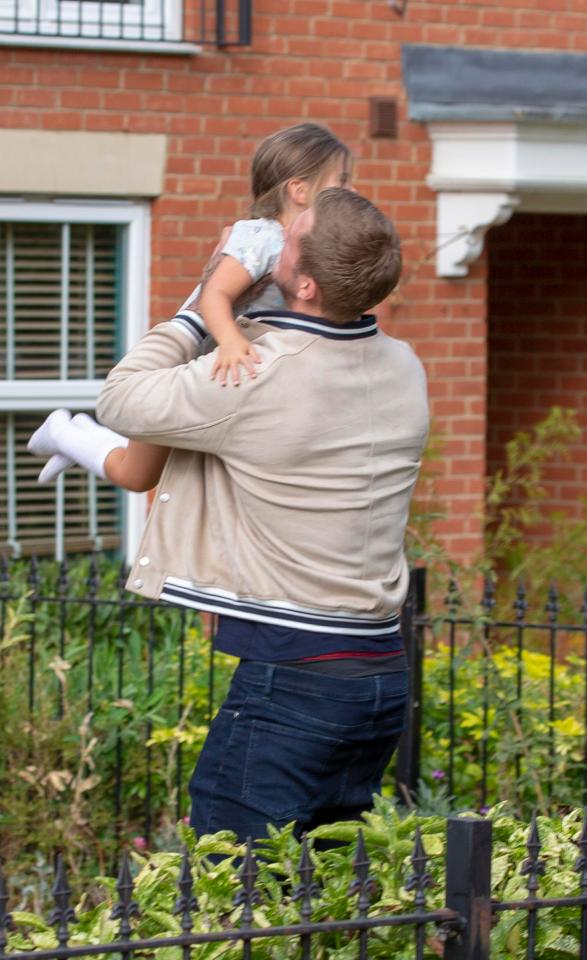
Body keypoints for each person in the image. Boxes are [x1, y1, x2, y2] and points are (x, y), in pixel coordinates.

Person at [92, 187, 429, 842]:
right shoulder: (404, 367)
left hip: (295, 685)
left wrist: (206, 302)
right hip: (380, 676)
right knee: (330, 896)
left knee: (237, 896)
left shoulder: (259, 377)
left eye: (291, 231)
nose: (275, 233)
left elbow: (121, 398)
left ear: (304, 283)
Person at [27, 122, 352, 488]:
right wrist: (230, 341)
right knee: (138, 474)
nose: (350, 190)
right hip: (191, 364)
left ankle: (76, 434)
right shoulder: (261, 238)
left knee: (144, 472)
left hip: (221, 374)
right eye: (341, 181)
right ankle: (63, 432)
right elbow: (214, 295)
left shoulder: (306, 246)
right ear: (300, 190)